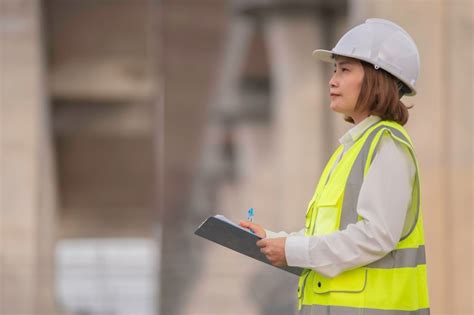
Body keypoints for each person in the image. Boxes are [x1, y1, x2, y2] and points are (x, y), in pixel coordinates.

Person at [240, 18, 430, 315]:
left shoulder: (387, 145)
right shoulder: (353, 148)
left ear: (376, 78)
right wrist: (277, 240)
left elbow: (376, 236)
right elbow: (329, 233)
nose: (333, 80)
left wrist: (293, 251)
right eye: (334, 70)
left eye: (345, 70)